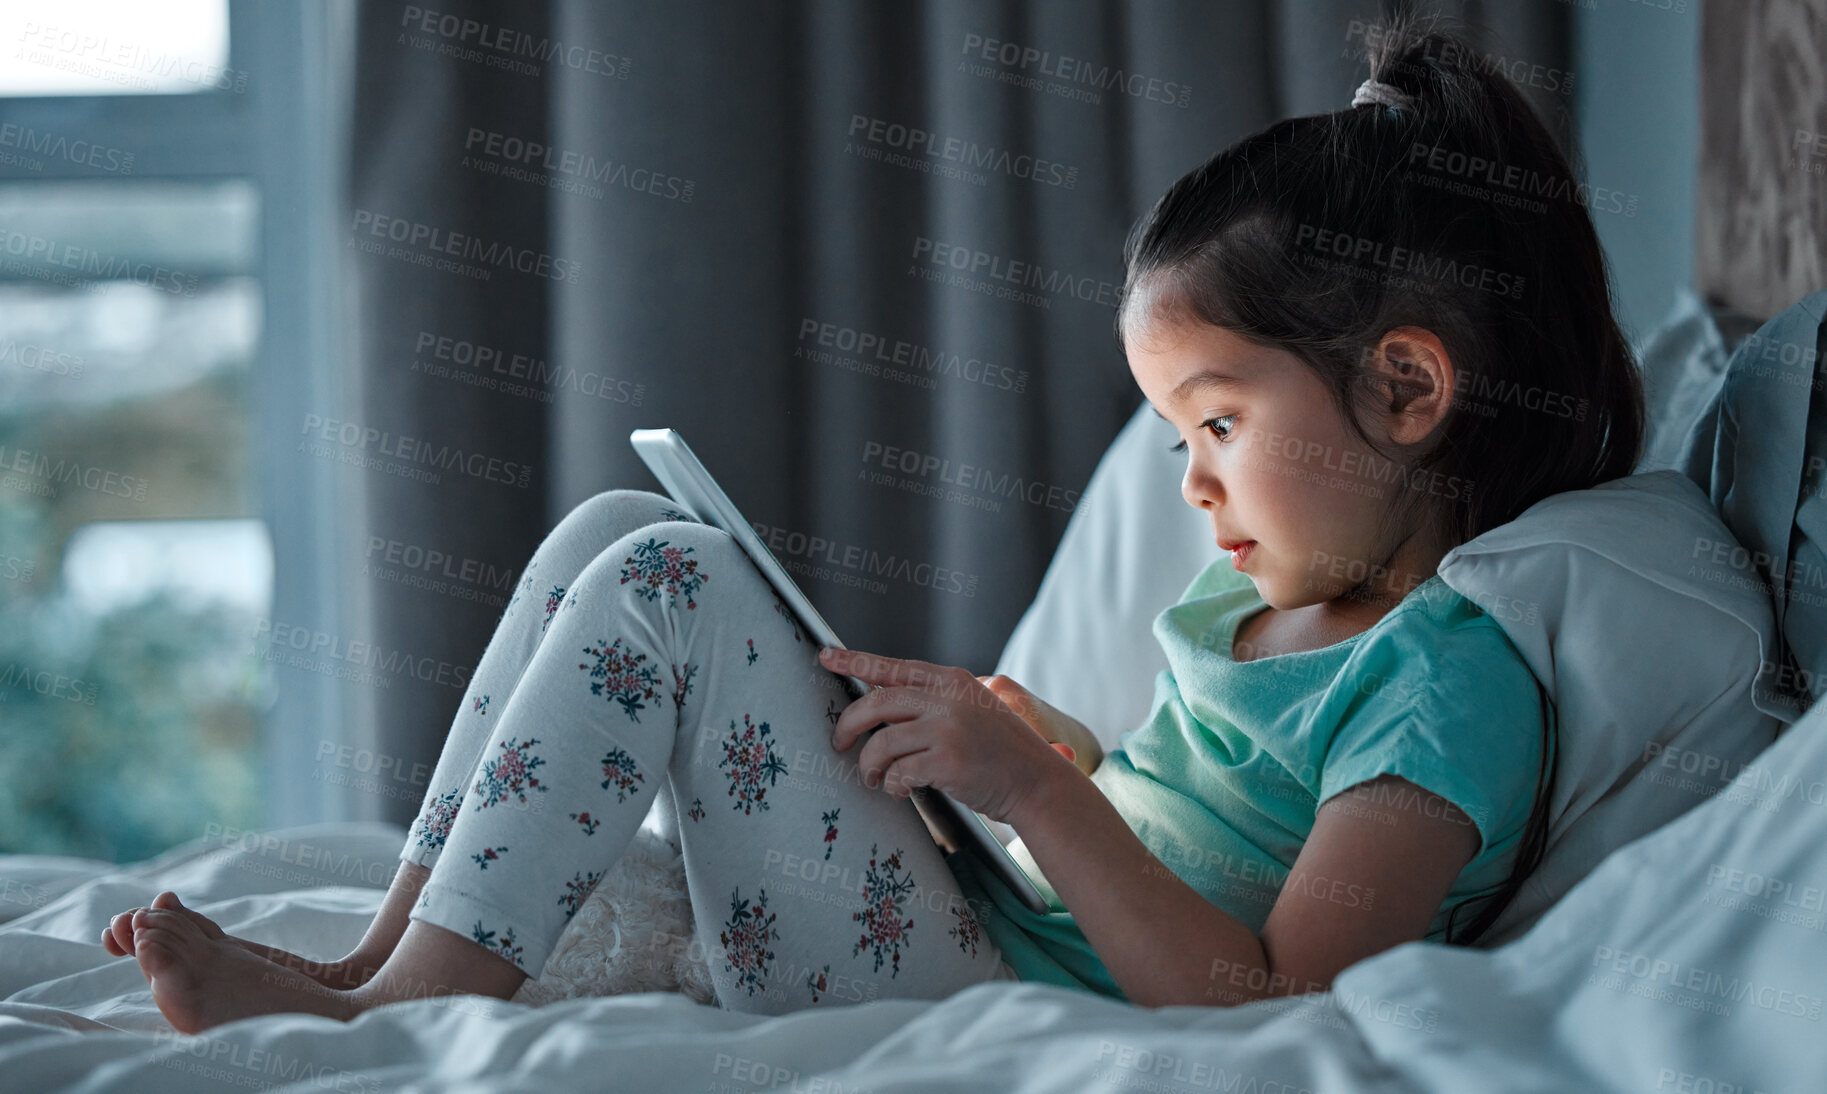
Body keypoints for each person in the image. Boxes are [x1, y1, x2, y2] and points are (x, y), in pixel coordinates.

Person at [103, 16, 1642, 1032]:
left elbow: (1277, 992)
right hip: (989, 910)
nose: (1191, 480)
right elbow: (1203, 826)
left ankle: (388, 1012)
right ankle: (375, 962)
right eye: (1181, 434)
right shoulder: (1267, 603)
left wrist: (1041, 791)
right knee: (612, 527)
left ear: (1408, 388)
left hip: (993, 992)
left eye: (1219, 424)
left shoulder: (1445, 688)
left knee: (669, 584)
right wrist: (1037, 748)